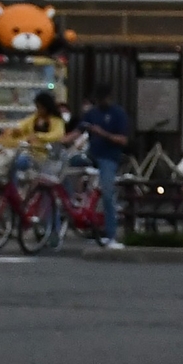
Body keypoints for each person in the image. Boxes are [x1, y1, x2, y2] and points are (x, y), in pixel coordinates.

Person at [74, 91, 133, 248]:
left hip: (109, 158)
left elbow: (122, 139)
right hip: (91, 155)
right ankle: (73, 206)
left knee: (107, 195)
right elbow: (78, 131)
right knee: (66, 168)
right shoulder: (92, 113)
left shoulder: (118, 114)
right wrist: (61, 140)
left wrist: (103, 133)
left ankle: (111, 235)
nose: (101, 102)